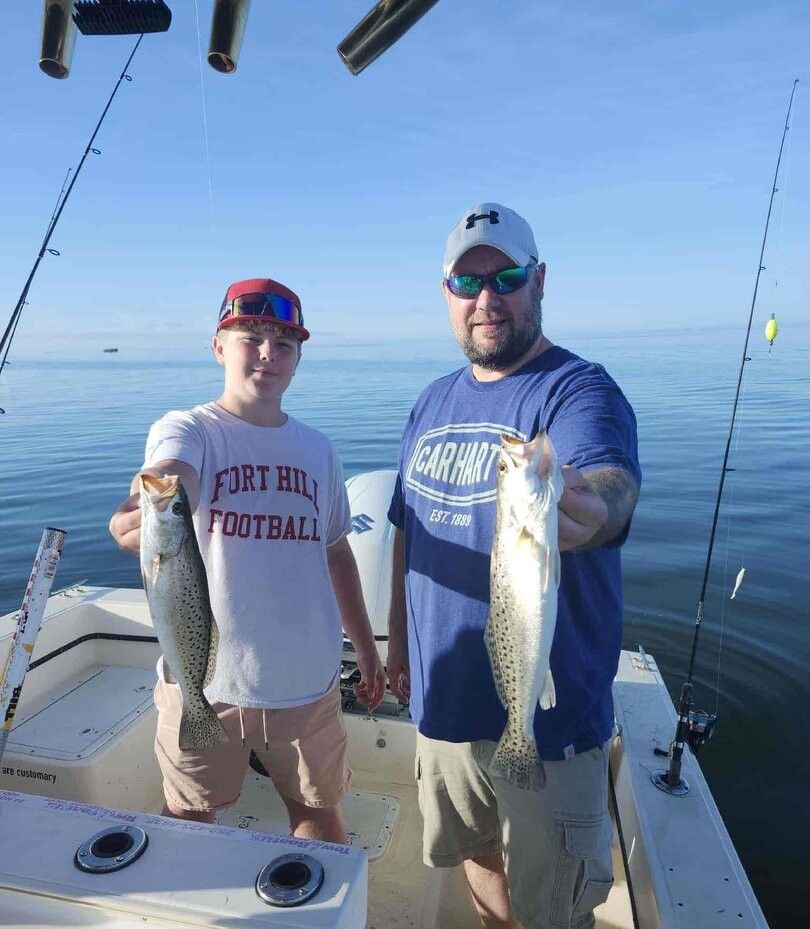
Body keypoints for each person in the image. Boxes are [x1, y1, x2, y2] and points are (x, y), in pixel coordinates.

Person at [386, 204, 641, 929]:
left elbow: (607, 480)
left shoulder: (578, 389)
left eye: (508, 277)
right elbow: (407, 531)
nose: (487, 299)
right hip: (445, 711)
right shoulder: (430, 401)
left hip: (548, 725)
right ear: (446, 295)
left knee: (553, 910)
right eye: (468, 284)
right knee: (479, 866)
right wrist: (399, 647)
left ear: (540, 282)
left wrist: (594, 506)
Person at [109, 277, 385, 842]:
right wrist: (143, 508)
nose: (267, 353)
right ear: (218, 345)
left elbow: (337, 554)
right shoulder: (190, 429)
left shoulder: (318, 449)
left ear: (299, 359)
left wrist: (366, 650)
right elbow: (169, 473)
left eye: (284, 343)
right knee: (189, 819)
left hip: (309, 683)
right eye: (250, 336)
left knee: (317, 814)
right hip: (206, 686)